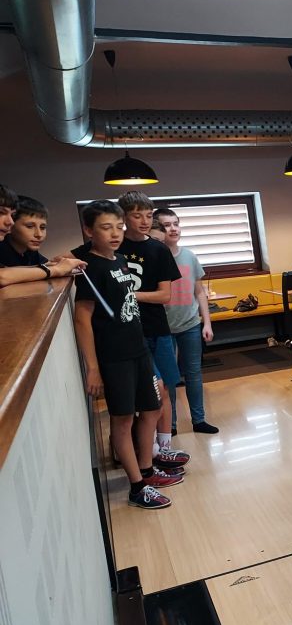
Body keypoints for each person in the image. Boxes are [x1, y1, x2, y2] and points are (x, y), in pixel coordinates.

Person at [73, 200, 181, 510]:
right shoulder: (89, 267)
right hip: (114, 357)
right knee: (122, 421)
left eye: (118, 227)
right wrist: (93, 368)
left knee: (152, 407)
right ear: (88, 231)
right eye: (106, 228)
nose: (115, 233)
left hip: (139, 350)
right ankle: (137, 487)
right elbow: (82, 319)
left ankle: (147, 469)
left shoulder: (120, 260)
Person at [154, 208, 219, 435]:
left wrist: (207, 323)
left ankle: (199, 420)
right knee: (168, 378)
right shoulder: (154, 257)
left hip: (190, 324)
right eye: (166, 225)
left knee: (194, 374)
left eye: (175, 223)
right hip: (163, 328)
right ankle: (169, 425)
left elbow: (199, 292)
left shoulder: (189, 256)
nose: (173, 229)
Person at [0, 184, 85, 287]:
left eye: (43, 227)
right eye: (30, 226)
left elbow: (46, 264)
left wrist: (60, 265)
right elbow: (2, 276)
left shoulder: (30, 251)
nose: (39, 234)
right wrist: (57, 269)